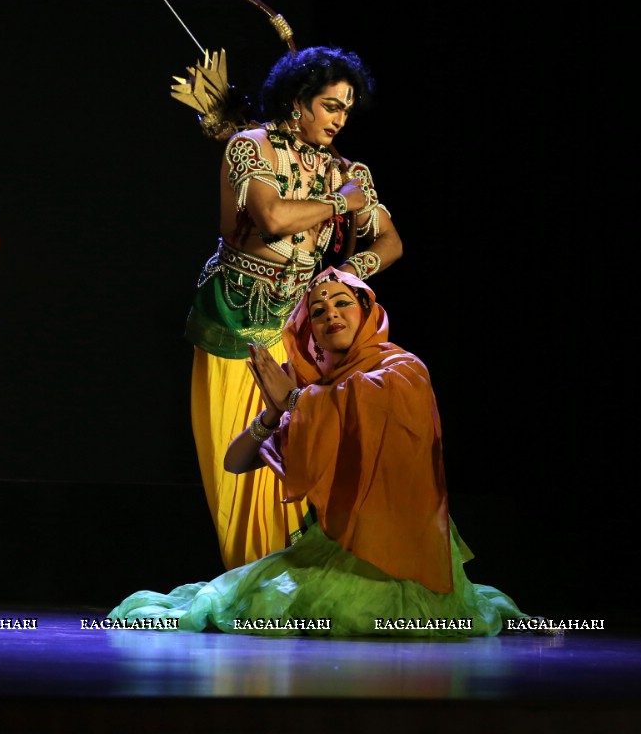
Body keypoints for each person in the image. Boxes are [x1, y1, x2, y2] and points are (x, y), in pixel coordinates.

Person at [109, 267, 535, 636]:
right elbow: (234, 463)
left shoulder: (402, 369)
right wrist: (274, 413)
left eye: (342, 303)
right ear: (308, 331)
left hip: (402, 551)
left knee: (352, 613)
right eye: (317, 310)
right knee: (250, 603)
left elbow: (364, 407)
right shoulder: (314, 391)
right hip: (332, 549)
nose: (330, 313)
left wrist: (295, 400)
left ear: (367, 312)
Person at [185, 46, 403, 570]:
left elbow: (391, 241)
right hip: (232, 324)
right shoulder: (248, 148)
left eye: (347, 109)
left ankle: (293, 577)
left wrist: (342, 277)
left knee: (294, 455)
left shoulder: (343, 169)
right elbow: (273, 218)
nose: (340, 119)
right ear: (298, 102)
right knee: (239, 467)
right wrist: (341, 202)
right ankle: (250, 578)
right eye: (331, 105)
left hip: (293, 333)